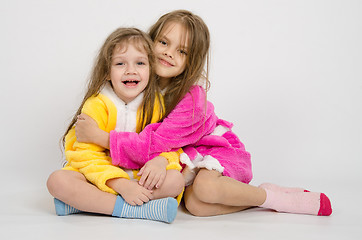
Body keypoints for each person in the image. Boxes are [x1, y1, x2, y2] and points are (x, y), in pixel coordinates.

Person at [75, 10, 332, 217]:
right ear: (149, 42)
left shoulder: (191, 100)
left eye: (182, 51)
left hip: (214, 151)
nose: (168, 53)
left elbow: (153, 143)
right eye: (163, 42)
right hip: (182, 159)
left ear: (193, 60)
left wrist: (100, 137)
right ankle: (254, 200)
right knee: (197, 207)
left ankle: (274, 198)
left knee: (207, 187)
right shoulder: (140, 79)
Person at [46, 27, 185, 223]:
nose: (131, 70)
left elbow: (168, 144)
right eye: (120, 63)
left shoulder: (156, 105)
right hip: (98, 178)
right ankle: (136, 209)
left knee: (175, 180)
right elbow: (84, 155)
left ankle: (90, 204)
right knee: (58, 181)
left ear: (151, 69)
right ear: (107, 73)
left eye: (140, 63)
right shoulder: (96, 105)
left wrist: (161, 161)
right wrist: (120, 185)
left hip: (139, 178)